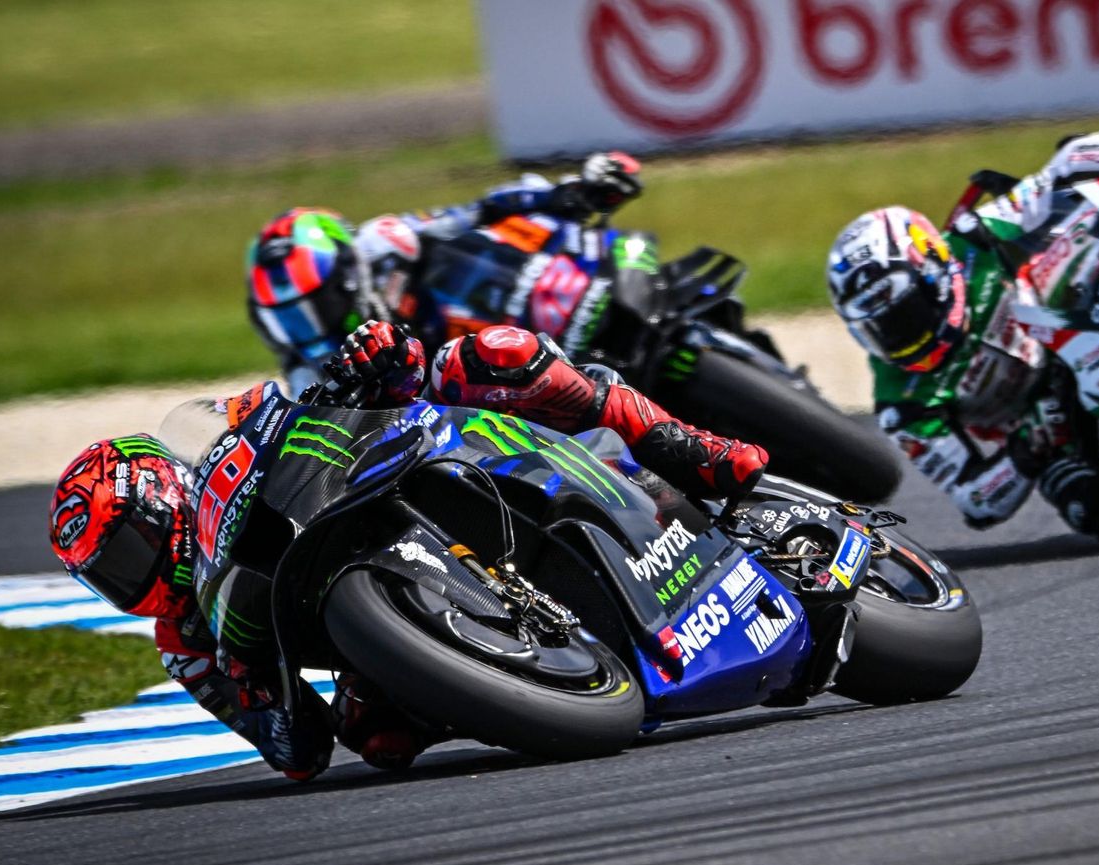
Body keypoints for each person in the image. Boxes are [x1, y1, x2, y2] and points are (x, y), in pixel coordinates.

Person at [49, 320, 767, 780]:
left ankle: (683, 445)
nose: (133, 580)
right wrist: (259, 690)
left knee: (491, 356)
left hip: (401, 465)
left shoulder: (230, 433)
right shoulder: (183, 641)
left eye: (128, 551)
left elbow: (318, 404)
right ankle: (528, 669)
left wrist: (370, 365)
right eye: (110, 577)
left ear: (165, 497)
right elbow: (294, 752)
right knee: (377, 738)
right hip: (365, 628)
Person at [825, 130, 1099, 541]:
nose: (900, 338)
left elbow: (1068, 161)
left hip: (1083, 324)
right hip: (1044, 420)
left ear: (933, 271)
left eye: (904, 315)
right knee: (1094, 510)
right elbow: (974, 500)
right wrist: (1027, 447)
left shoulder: (974, 239)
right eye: (880, 329)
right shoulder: (901, 401)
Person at [247, 151, 644, 391]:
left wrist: (562, 194)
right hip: (484, 397)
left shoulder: (381, 242)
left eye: (312, 307)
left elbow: (472, 212)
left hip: (515, 313)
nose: (309, 330)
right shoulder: (310, 372)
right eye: (290, 319)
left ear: (345, 275)